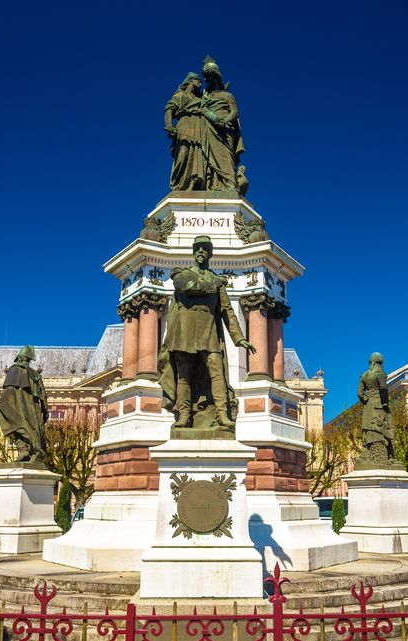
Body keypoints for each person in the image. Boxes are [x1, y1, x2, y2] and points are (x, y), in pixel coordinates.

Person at [159, 236, 256, 429]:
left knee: (217, 374)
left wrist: (239, 338)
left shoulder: (217, 282)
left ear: (210, 253)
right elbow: (187, 287)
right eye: (198, 248)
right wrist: (216, 284)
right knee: (183, 377)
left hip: (208, 333)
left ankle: (222, 415)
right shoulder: (182, 275)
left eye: (205, 249)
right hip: (184, 333)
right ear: (193, 252)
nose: (201, 251)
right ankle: (184, 415)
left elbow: (227, 311)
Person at [0, 345, 48, 463]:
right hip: (32, 409)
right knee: (31, 427)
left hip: (17, 405)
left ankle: (24, 448)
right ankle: (30, 450)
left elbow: (8, 392)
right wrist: (45, 411)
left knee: (11, 423)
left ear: (20, 358)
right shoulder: (36, 375)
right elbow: (43, 395)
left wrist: (1, 403)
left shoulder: (14, 370)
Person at [200, 56, 244, 191]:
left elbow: (235, 112)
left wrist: (224, 121)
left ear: (216, 76)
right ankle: (214, 185)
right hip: (210, 126)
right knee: (209, 157)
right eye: (205, 77)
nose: (207, 80)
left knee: (226, 156)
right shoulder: (205, 95)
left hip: (226, 127)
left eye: (209, 77)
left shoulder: (228, 96)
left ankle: (230, 183)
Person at [164, 72, 207, 192]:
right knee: (183, 152)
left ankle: (195, 182)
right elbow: (169, 110)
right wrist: (169, 126)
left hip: (199, 126)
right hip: (185, 123)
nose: (200, 82)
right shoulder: (180, 95)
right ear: (190, 80)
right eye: (198, 79)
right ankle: (179, 185)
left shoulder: (200, 99)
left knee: (199, 154)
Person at [355, 352, 395, 469]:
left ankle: (368, 453)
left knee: (368, 429)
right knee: (382, 428)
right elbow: (383, 387)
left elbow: (360, 393)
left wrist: (367, 400)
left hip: (369, 406)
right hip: (379, 403)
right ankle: (387, 457)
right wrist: (385, 402)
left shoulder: (364, 375)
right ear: (380, 362)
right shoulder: (379, 372)